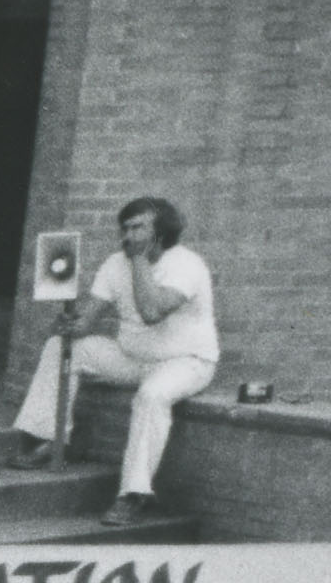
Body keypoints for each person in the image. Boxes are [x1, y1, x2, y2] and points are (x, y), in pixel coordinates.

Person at [11, 196, 218, 531]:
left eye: (138, 227)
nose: (128, 235)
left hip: (186, 362)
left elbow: (151, 312)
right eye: (125, 227)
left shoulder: (187, 265)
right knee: (60, 347)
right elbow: (88, 319)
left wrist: (138, 262)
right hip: (132, 358)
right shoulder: (113, 263)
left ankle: (133, 493)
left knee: (151, 396)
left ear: (161, 231)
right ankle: (49, 439)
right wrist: (69, 324)